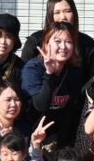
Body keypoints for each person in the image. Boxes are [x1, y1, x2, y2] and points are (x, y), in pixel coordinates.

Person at [21, 21, 86, 152]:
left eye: (68, 42)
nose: (63, 46)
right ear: (46, 44)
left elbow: (72, 111)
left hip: (59, 140)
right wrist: (49, 74)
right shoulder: (33, 68)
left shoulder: (74, 72)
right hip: (31, 136)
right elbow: (40, 105)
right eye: (57, 41)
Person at [20, 0, 94, 74]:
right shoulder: (35, 41)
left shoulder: (88, 44)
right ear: (50, 15)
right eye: (57, 12)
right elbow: (23, 72)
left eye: (67, 11)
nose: (63, 17)